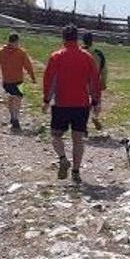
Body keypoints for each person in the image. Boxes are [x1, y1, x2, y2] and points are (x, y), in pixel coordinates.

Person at [43, 24, 102, 183]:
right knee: (78, 140)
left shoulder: (56, 56)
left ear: (63, 38)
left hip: (61, 104)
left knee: (56, 136)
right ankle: (76, 172)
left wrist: (46, 100)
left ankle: (62, 158)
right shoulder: (87, 57)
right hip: (81, 104)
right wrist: (96, 101)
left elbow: (49, 80)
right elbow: (94, 82)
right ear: (77, 38)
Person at [0, 33, 36, 132]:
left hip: (16, 81)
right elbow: (28, 65)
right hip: (12, 80)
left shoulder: (4, 51)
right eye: (17, 42)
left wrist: (32, 76)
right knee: (14, 99)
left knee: (15, 98)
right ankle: (14, 117)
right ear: (16, 42)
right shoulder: (18, 52)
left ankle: (14, 117)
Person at [81, 31, 107, 130]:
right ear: (92, 41)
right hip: (95, 81)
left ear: (83, 40)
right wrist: (103, 81)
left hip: (82, 82)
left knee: (83, 103)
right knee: (97, 101)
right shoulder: (98, 53)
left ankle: (83, 124)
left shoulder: (79, 52)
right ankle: (95, 116)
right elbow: (104, 69)